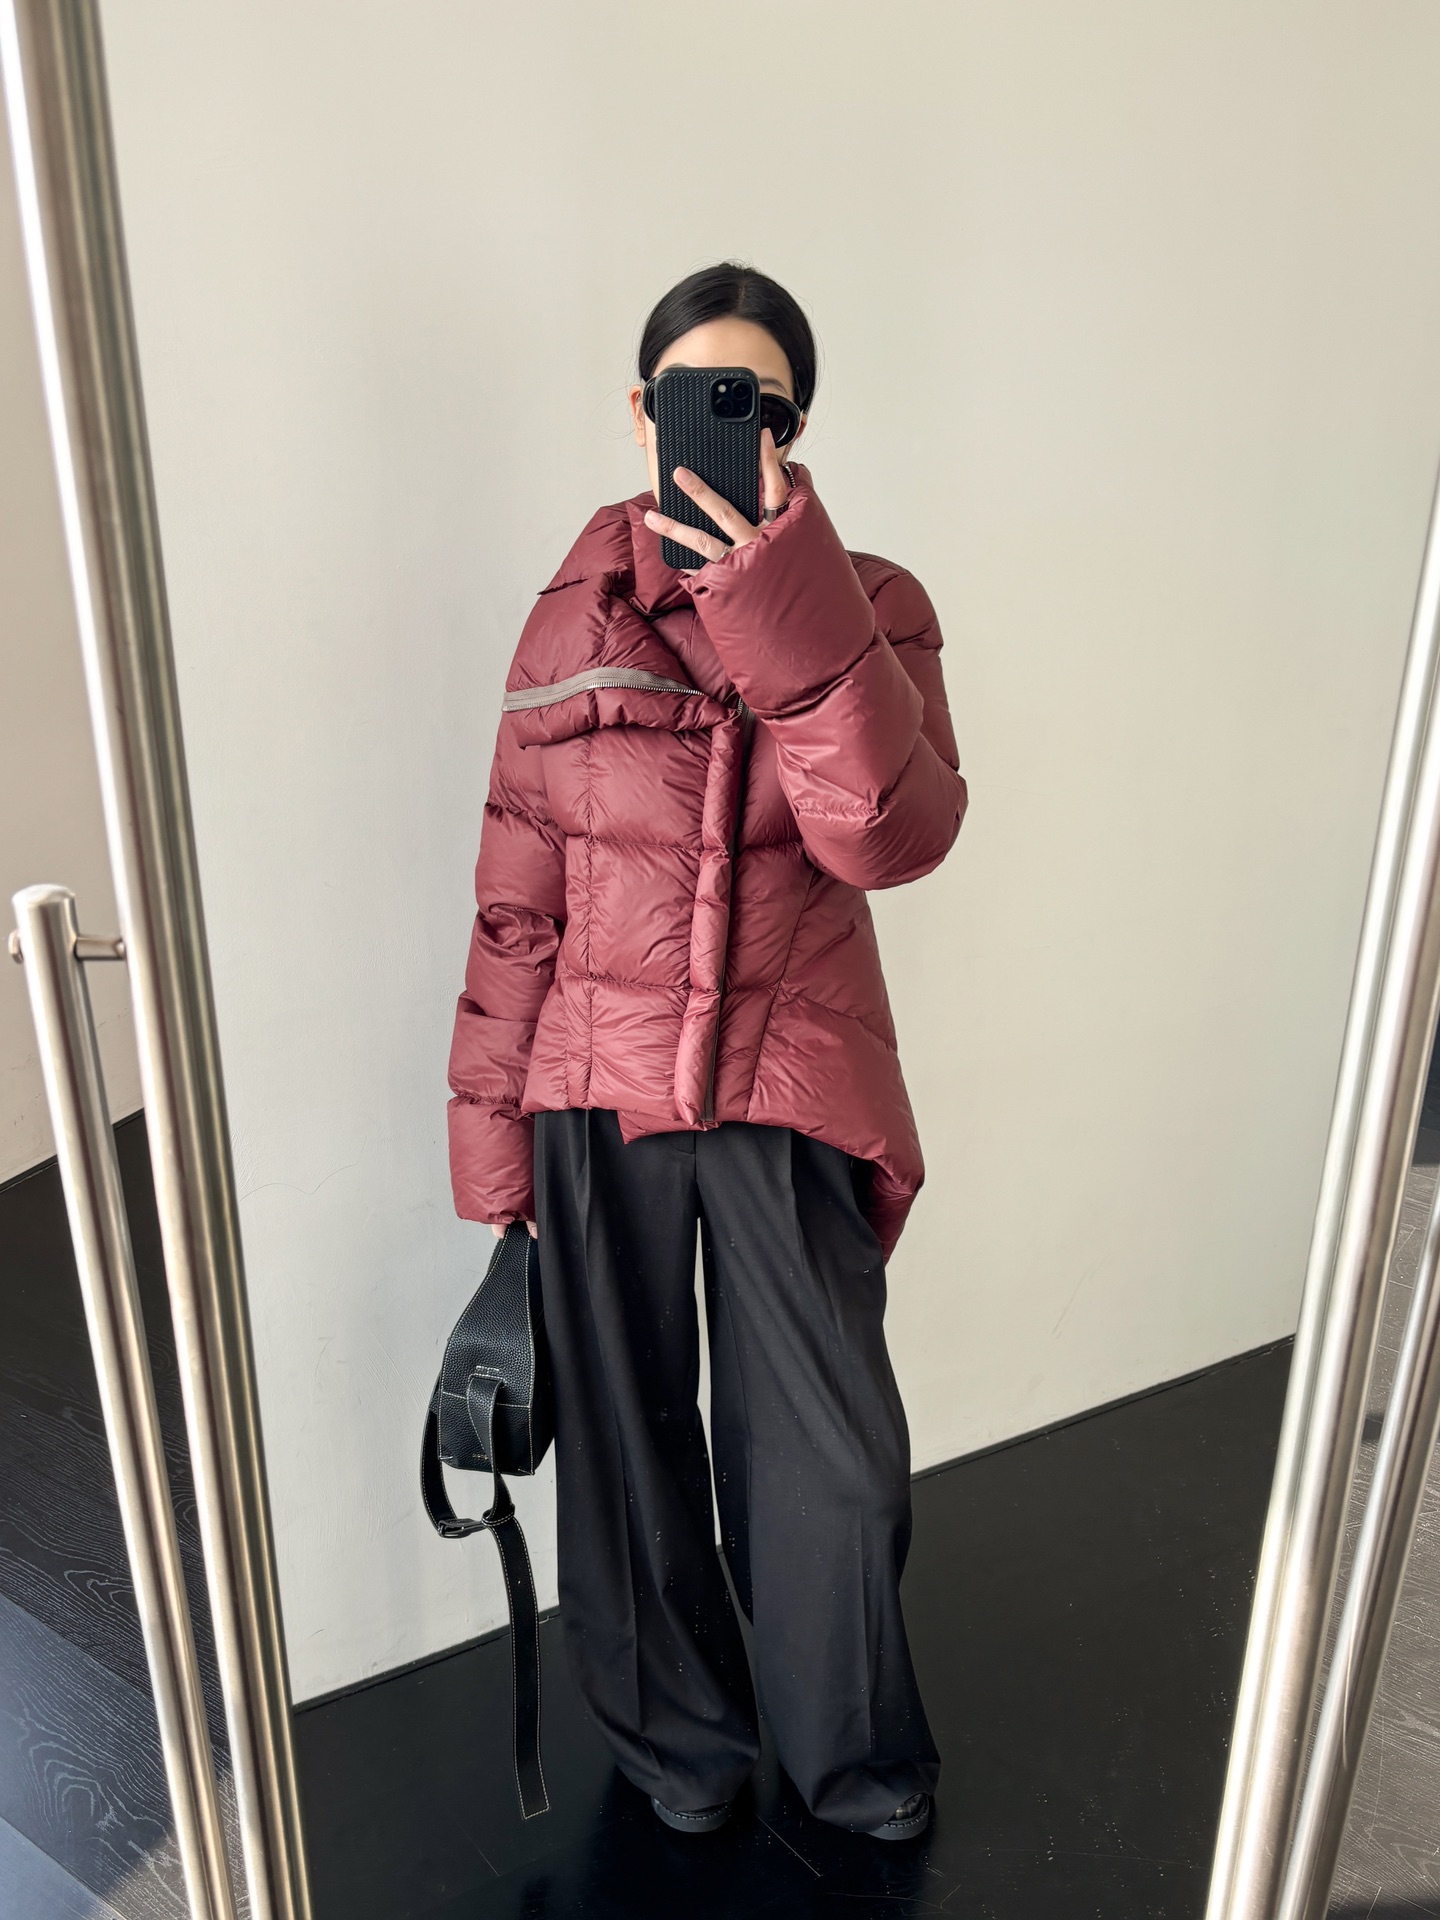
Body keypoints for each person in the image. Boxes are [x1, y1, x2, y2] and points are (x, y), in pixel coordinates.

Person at [446, 262, 967, 1841]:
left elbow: (892, 834)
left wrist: (770, 589)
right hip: (590, 1090)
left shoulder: (871, 602)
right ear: (642, 409)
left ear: (796, 427)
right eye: (695, 397)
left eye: (762, 405)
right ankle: (681, 1749)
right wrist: (491, 1153)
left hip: (788, 1083)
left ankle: (854, 1759)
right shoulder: (570, 614)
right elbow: (518, 898)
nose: (731, 429)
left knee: (831, 1460)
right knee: (622, 1450)